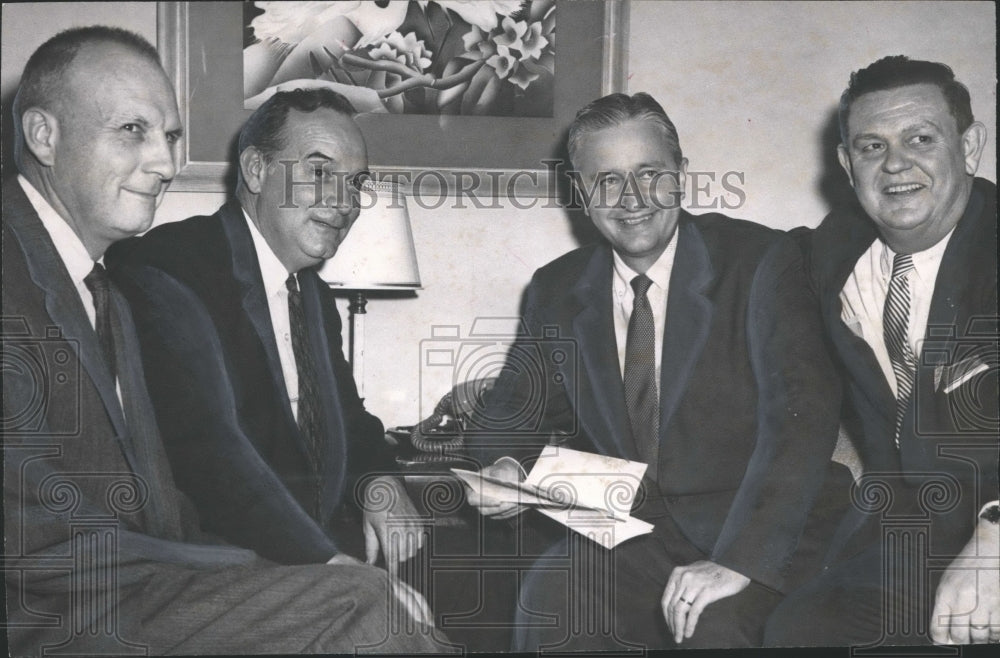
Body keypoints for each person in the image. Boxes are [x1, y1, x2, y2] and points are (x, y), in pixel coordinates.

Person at [2, 26, 445, 655]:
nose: (165, 162)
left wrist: (378, 485)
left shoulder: (103, 281)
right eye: (133, 130)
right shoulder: (161, 268)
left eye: (172, 137)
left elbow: (344, 419)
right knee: (368, 607)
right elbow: (206, 451)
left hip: (164, 570)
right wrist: (303, 569)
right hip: (66, 603)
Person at [463, 92, 851, 650]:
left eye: (650, 173)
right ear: (582, 194)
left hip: (763, 533)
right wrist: (499, 465)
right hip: (634, 536)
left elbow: (803, 427)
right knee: (552, 600)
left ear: (682, 176)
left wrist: (740, 563)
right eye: (608, 180)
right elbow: (506, 416)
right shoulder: (556, 288)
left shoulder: (764, 261)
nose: (633, 198)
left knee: (713, 628)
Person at [765, 56, 999, 647]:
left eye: (920, 138)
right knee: (800, 630)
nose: (896, 164)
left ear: (969, 147)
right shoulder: (831, 252)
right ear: (847, 164)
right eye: (871, 146)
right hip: (912, 538)